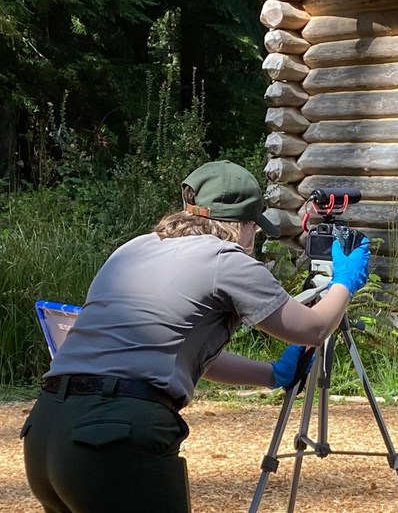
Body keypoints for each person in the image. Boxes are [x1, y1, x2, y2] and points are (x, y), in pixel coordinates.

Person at [21, 160, 371, 513]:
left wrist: (271, 374)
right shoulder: (226, 259)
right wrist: (344, 282)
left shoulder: (134, 249)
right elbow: (312, 328)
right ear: (243, 224)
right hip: (115, 437)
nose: (255, 238)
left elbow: (176, 351)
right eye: (255, 227)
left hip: (46, 431)